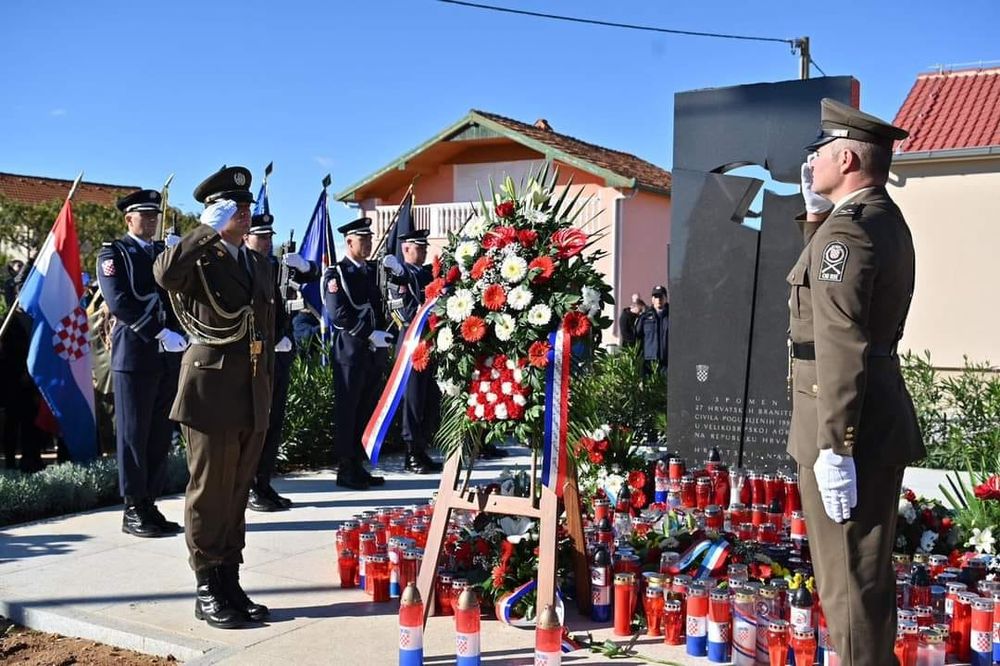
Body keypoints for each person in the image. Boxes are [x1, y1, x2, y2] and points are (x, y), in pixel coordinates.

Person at [788, 98, 924, 665]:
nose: (811, 160)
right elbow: (831, 302)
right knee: (857, 582)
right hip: (866, 415)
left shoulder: (852, 234)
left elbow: (840, 340)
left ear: (846, 156)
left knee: (848, 587)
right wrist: (815, 215)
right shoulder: (869, 222)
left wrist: (834, 445)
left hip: (848, 424)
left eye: (818, 150)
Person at [154, 166, 275, 629]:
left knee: (237, 491)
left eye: (246, 208)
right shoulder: (198, 259)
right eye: (235, 208)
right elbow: (164, 275)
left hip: (250, 390)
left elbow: (266, 322)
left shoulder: (259, 262)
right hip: (209, 391)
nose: (245, 215)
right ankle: (206, 584)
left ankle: (229, 578)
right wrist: (205, 229)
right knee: (209, 492)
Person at [95, 189, 187, 537]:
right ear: (128, 219)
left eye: (154, 216)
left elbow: (178, 296)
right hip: (135, 354)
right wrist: (160, 333)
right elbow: (119, 300)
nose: (150, 221)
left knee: (158, 435)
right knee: (134, 436)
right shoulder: (114, 253)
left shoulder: (162, 252)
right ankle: (132, 508)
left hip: (166, 358)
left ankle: (150, 503)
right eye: (143, 215)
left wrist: (178, 257)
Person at [242, 214, 318, 511]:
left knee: (273, 422)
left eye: (269, 237)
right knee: (254, 424)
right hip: (256, 354)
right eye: (260, 236)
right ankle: (249, 487)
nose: (266, 242)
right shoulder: (242, 266)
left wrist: (304, 265)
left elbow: (312, 276)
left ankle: (263, 482)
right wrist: (267, 339)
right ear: (247, 238)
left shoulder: (274, 265)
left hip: (280, 352)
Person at [323, 217, 392, 490]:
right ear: (349, 241)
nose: (368, 244)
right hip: (350, 350)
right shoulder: (336, 274)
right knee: (348, 410)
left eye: (369, 239)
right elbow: (338, 314)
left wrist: (383, 335)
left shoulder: (371, 272)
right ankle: (345, 468)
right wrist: (367, 334)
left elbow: (380, 306)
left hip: (372, 352)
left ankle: (358, 465)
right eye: (363, 239)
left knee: (366, 409)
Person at [383, 229, 443, 474]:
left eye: (425, 246)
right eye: (420, 246)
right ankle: (411, 454)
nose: (425, 249)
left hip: (430, 343)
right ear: (406, 248)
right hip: (411, 342)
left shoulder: (427, 273)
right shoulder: (399, 277)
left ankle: (422, 450)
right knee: (413, 401)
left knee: (429, 399)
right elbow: (403, 313)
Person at [635, 285, 669, 376]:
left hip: (668, 363)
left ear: (666, 298)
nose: (659, 299)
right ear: (652, 299)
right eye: (656, 297)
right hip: (649, 363)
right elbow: (637, 337)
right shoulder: (645, 317)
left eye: (661, 296)